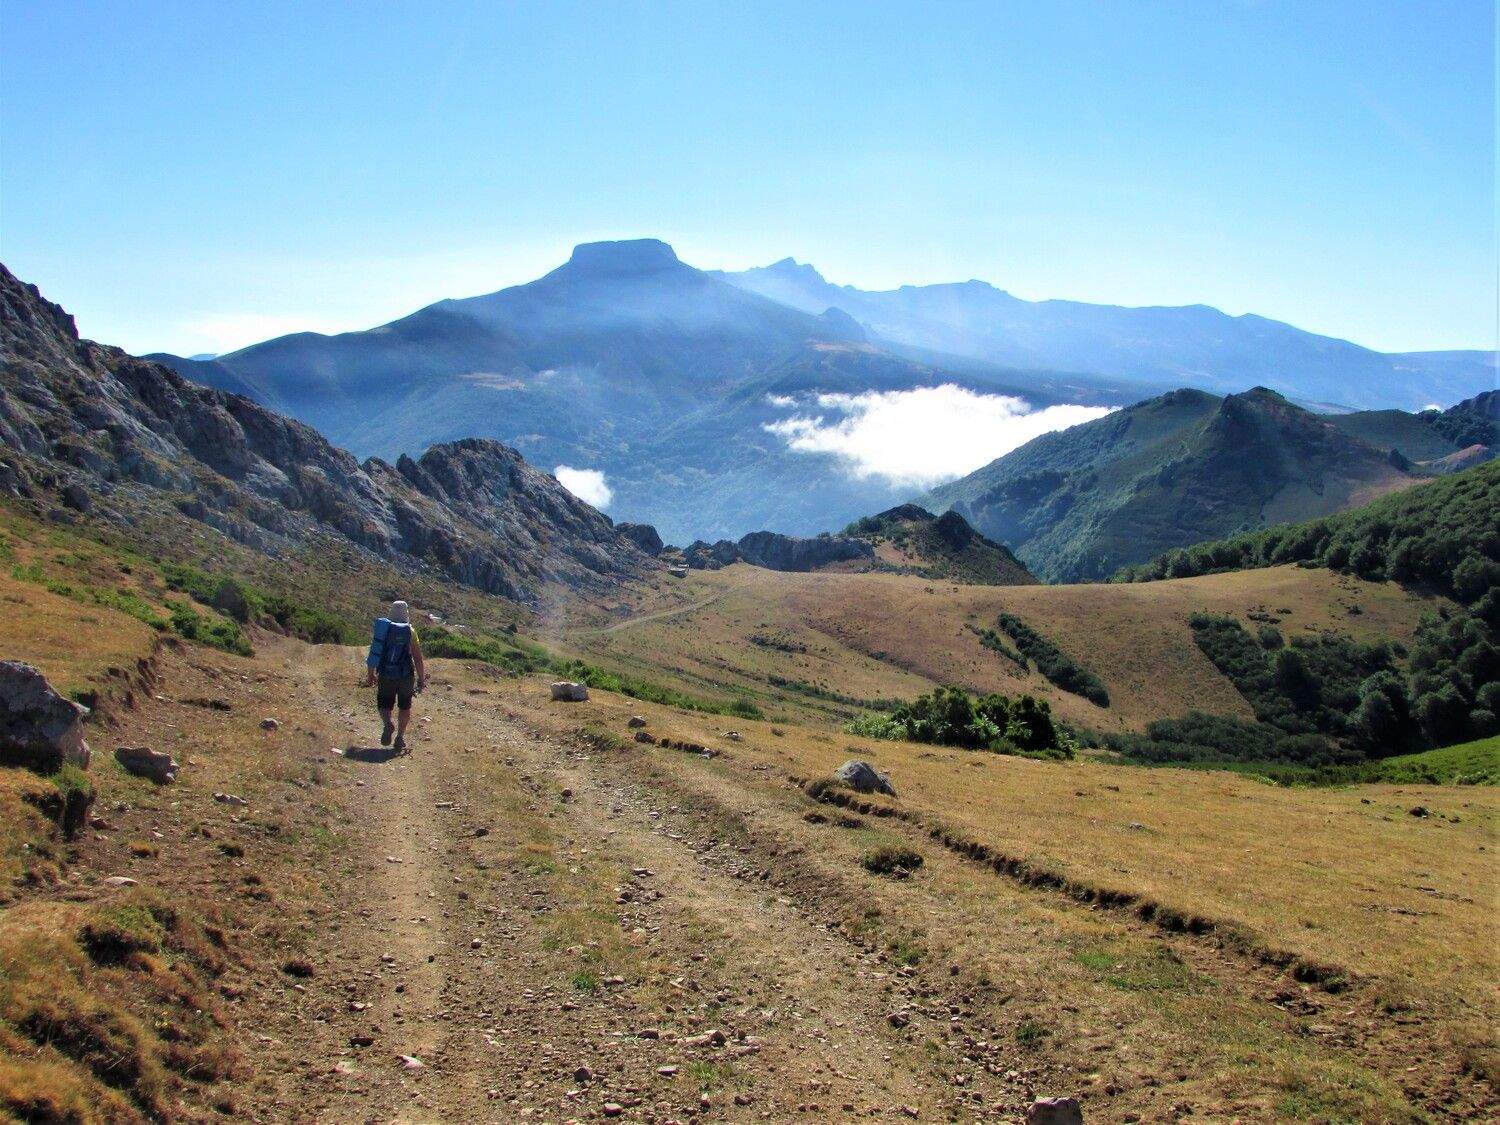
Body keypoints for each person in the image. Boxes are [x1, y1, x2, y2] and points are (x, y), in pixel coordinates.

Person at [364, 600, 427, 753]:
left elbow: (375, 651)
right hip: (406, 675)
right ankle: (400, 737)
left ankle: (387, 724)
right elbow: (417, 657)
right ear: (406, 614)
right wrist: (421, 678)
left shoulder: (384, 629)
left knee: (384, 704)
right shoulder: (410, 631)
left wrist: (370, 674)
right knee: (405, 706)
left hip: (386, 673)